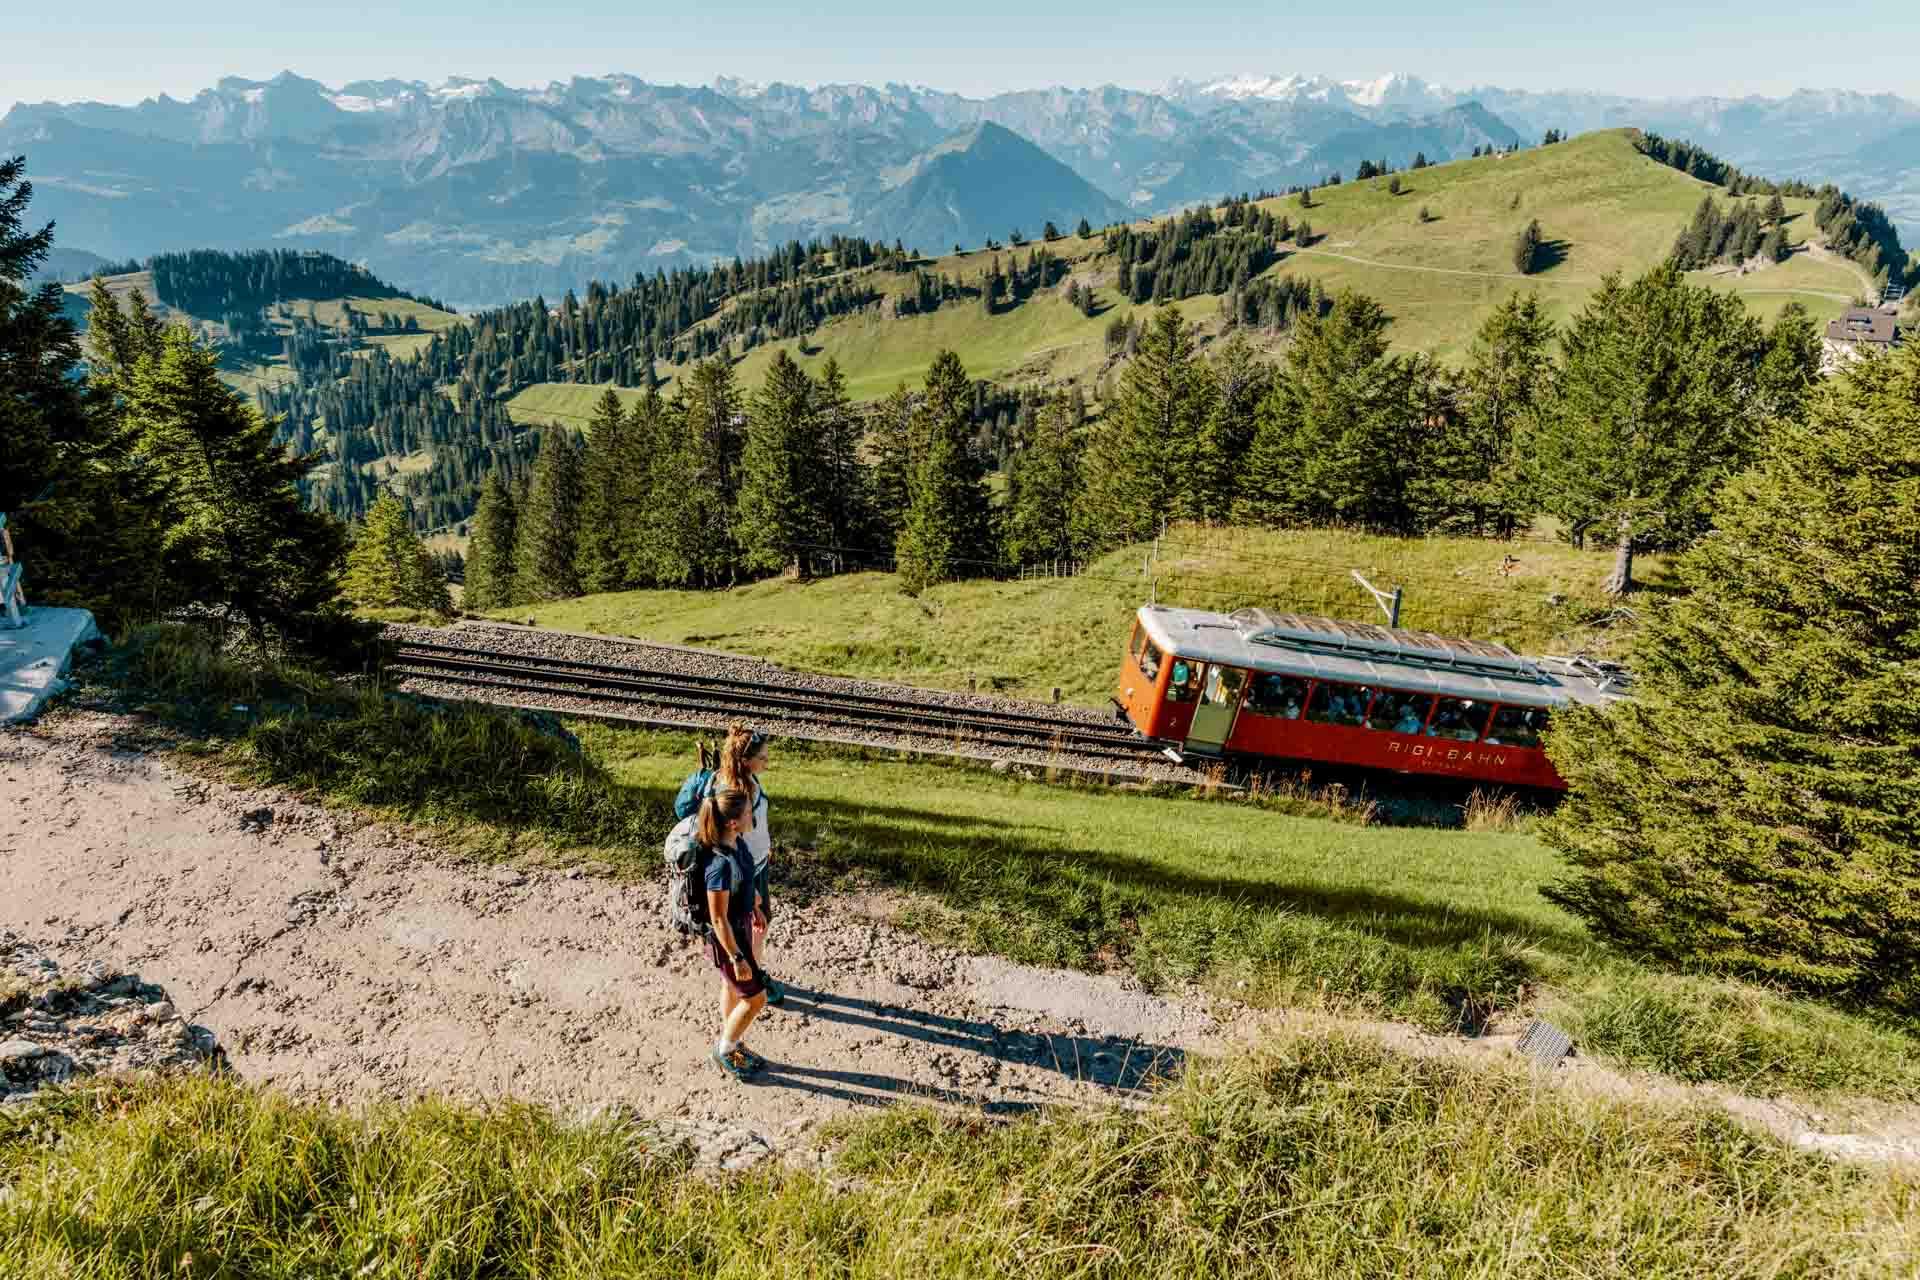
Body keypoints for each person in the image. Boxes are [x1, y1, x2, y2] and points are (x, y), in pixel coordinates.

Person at [695, 786, 771, 1081]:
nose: (754, 816)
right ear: (733, 822)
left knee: (733, 989)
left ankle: (733, 1039)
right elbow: (717, 918)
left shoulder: (737, 845)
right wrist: (736, 957)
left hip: (739, 932)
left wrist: (756, 907)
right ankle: (725, 1049)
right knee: (756, 998)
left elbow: (745, 881)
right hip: (727, 943)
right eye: (749, 812)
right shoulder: (718, 866)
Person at [715, 723, 784, 1005]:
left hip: (756, 863)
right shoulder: (740, 792)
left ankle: (746, 971)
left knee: (757, 923)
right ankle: (749, 979)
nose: (767, 762)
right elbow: (737, 837)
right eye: (763, 758)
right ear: (745, 761)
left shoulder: (740, 779)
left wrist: (764, 848)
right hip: (746, 871)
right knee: (756, 924)